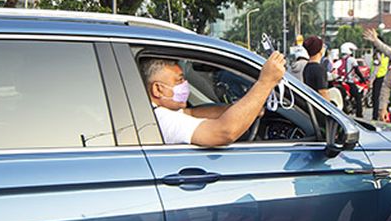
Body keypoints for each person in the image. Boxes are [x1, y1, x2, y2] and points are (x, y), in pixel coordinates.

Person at [142, 52, 286, 146]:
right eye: (179, 81)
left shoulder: (154, 112)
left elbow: (193, 113)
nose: (185, 85)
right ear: (158, 89)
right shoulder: (162, 120)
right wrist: (266, 82)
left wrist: (247, 108)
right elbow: (224, 132)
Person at [300, 35, 337, 104]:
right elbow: (323, 91)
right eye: (322, 46)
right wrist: (330, 108)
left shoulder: (307, 67)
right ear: (319, 50)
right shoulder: (320, 69)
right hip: (319, 106)